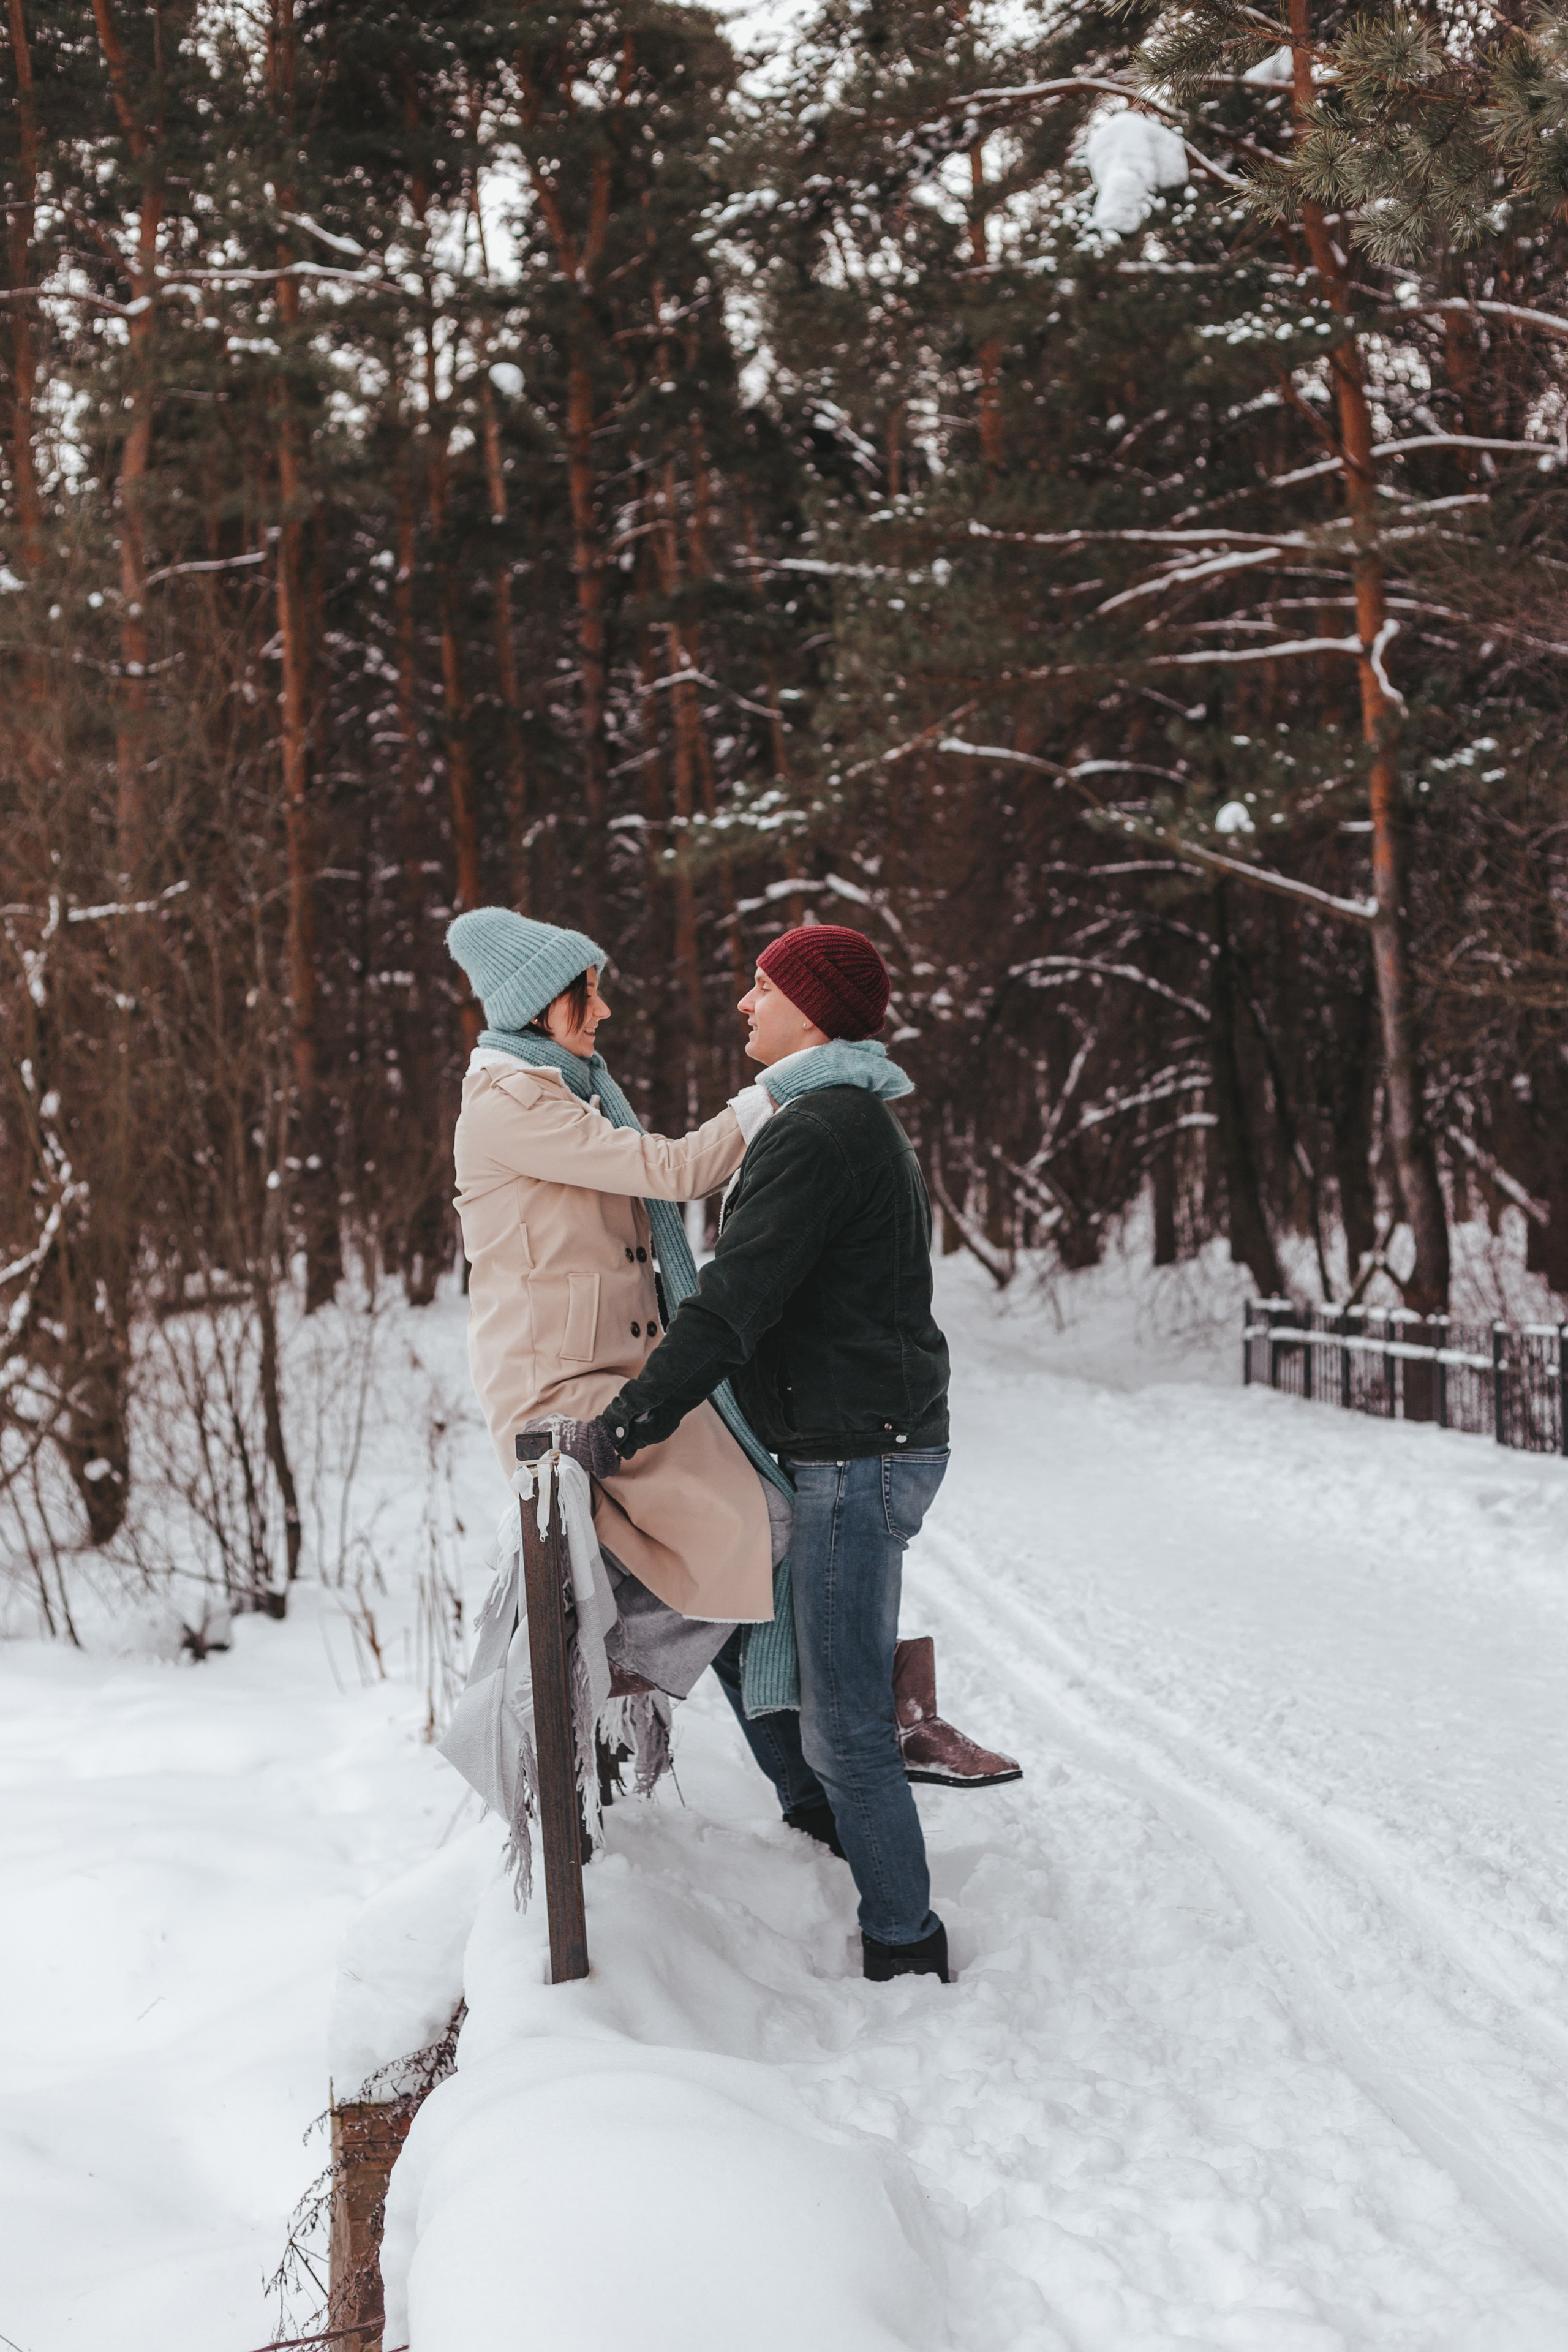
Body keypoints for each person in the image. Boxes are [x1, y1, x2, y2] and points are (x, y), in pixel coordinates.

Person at [581, 924, 1020, 1986]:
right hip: (849, 1445)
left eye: (763, 987)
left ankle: (906, 1945)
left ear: (811, 1010)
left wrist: (633, 1420)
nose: (744, 1002)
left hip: (851, 1457)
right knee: (758, 1642)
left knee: (844, 1722)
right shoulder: (830, 1118)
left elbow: (735, 1301)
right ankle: (828, 1852)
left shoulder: (820, 1128)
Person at [445, 908, 785, 1701]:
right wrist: (773, 1093)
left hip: (618, 1373)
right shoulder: (510, 1104)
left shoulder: (564, 1093)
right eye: (586, 994)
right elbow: (673, 1173)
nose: (603, 1011)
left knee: (766, 1507)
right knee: (766, 1517)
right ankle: (599, 1671)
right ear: (537, 1004)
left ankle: (614, 1661)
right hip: (562, 1393)